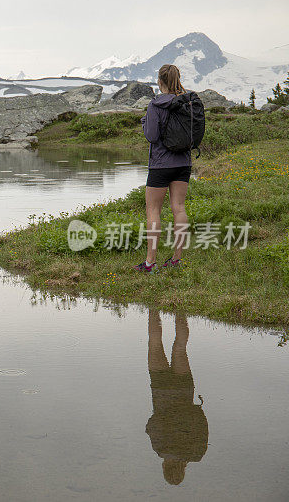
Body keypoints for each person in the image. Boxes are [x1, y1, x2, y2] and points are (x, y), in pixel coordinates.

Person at [135, 64, 191, 273]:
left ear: (160, 82)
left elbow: (151, 136)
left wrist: (145, 122)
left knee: (153, 210)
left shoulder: (155, 105)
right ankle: (176, 258)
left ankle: (150, 262)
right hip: (183, 163)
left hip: (160, 164)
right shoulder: (187, 103)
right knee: (179, 208)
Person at [145, 309, 208, 485]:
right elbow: (153, 423)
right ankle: (153, 306)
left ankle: (180, 309)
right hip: (160, 389)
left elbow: (203, 426)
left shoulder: (196, 452)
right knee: (155, 344)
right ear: (165, 468)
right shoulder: (161, 449)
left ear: (182, 471)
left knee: (180, 348)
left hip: (183, 391)